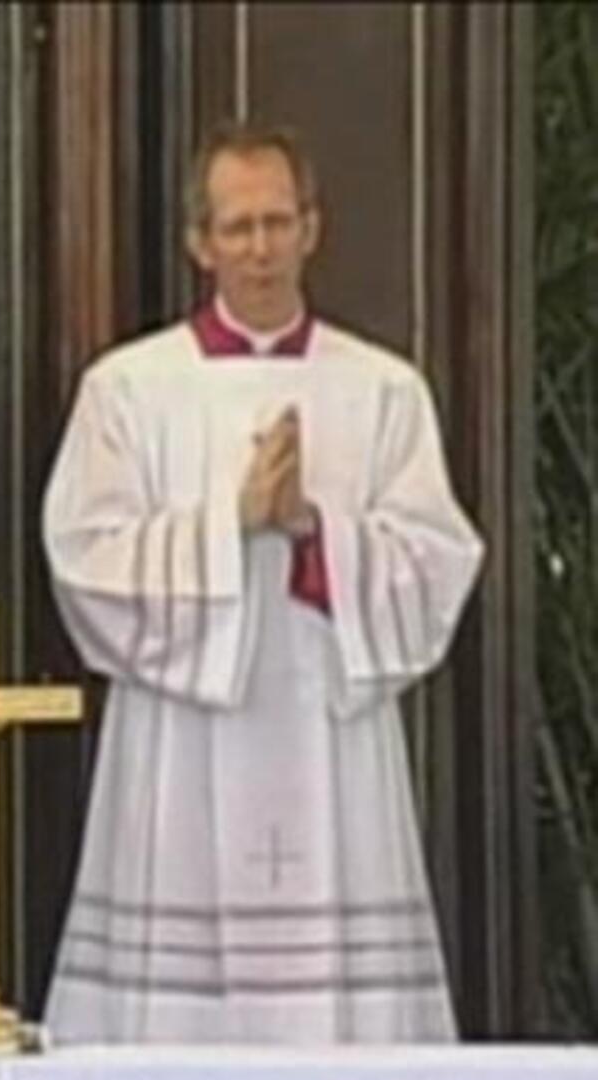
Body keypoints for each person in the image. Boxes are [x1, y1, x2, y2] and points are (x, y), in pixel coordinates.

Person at [39, 122, 484, 1044]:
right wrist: (227, 524)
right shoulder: (127, 389)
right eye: (237, 228)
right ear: (199, 243)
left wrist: (313, 531)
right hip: (180, 735)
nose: (260, 248)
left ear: (311, 229)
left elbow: (438, 559)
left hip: (328, 726)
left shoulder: (382, 390)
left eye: (278, 223)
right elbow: (82, 556)